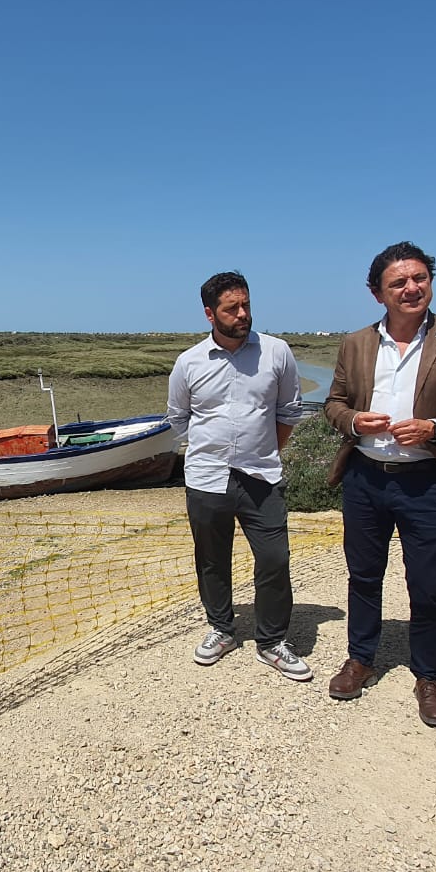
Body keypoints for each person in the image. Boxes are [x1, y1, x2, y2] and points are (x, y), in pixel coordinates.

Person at [322, 242, 436, 726]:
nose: (411, 288)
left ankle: (429, 676)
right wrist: (356, 421)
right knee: (363, 575)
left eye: (420, 278)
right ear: (376, 293)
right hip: (364, 476)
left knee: (428, 583)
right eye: (398, 282)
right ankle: (360, 659)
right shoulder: (356, 343)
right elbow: (334, 404)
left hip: (424, 480)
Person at [166, 271, 309, 681]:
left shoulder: (277, 353)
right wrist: (208, 448)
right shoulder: (189, 362)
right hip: (207, 478)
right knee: (212, 560)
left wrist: (265, 449)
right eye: (232, 308)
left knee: (274, 558)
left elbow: (288, 412)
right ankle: (222, 629)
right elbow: (179, 417)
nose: (243, 314)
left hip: (261, 476)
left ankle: (272, 642)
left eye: (246, 305)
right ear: (211, 314)